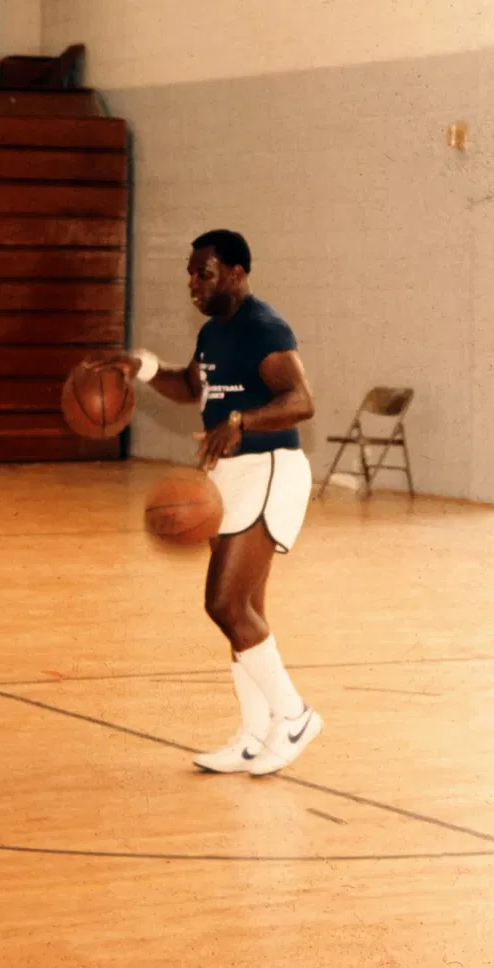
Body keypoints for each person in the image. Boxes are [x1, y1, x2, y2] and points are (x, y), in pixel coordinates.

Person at [112, 228, 321, 776]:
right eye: (190, 272)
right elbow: (192, 387)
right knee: (244, 612)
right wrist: (147, 367)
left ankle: (293, 715)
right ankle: (254, 735)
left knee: (225, 604)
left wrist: (239, 421)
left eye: (202, 273)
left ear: (235, 273)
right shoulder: (212, 333)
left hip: (270, 468)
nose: (192, 283)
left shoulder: (264, 327)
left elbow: (301, 401)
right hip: (227, 473)